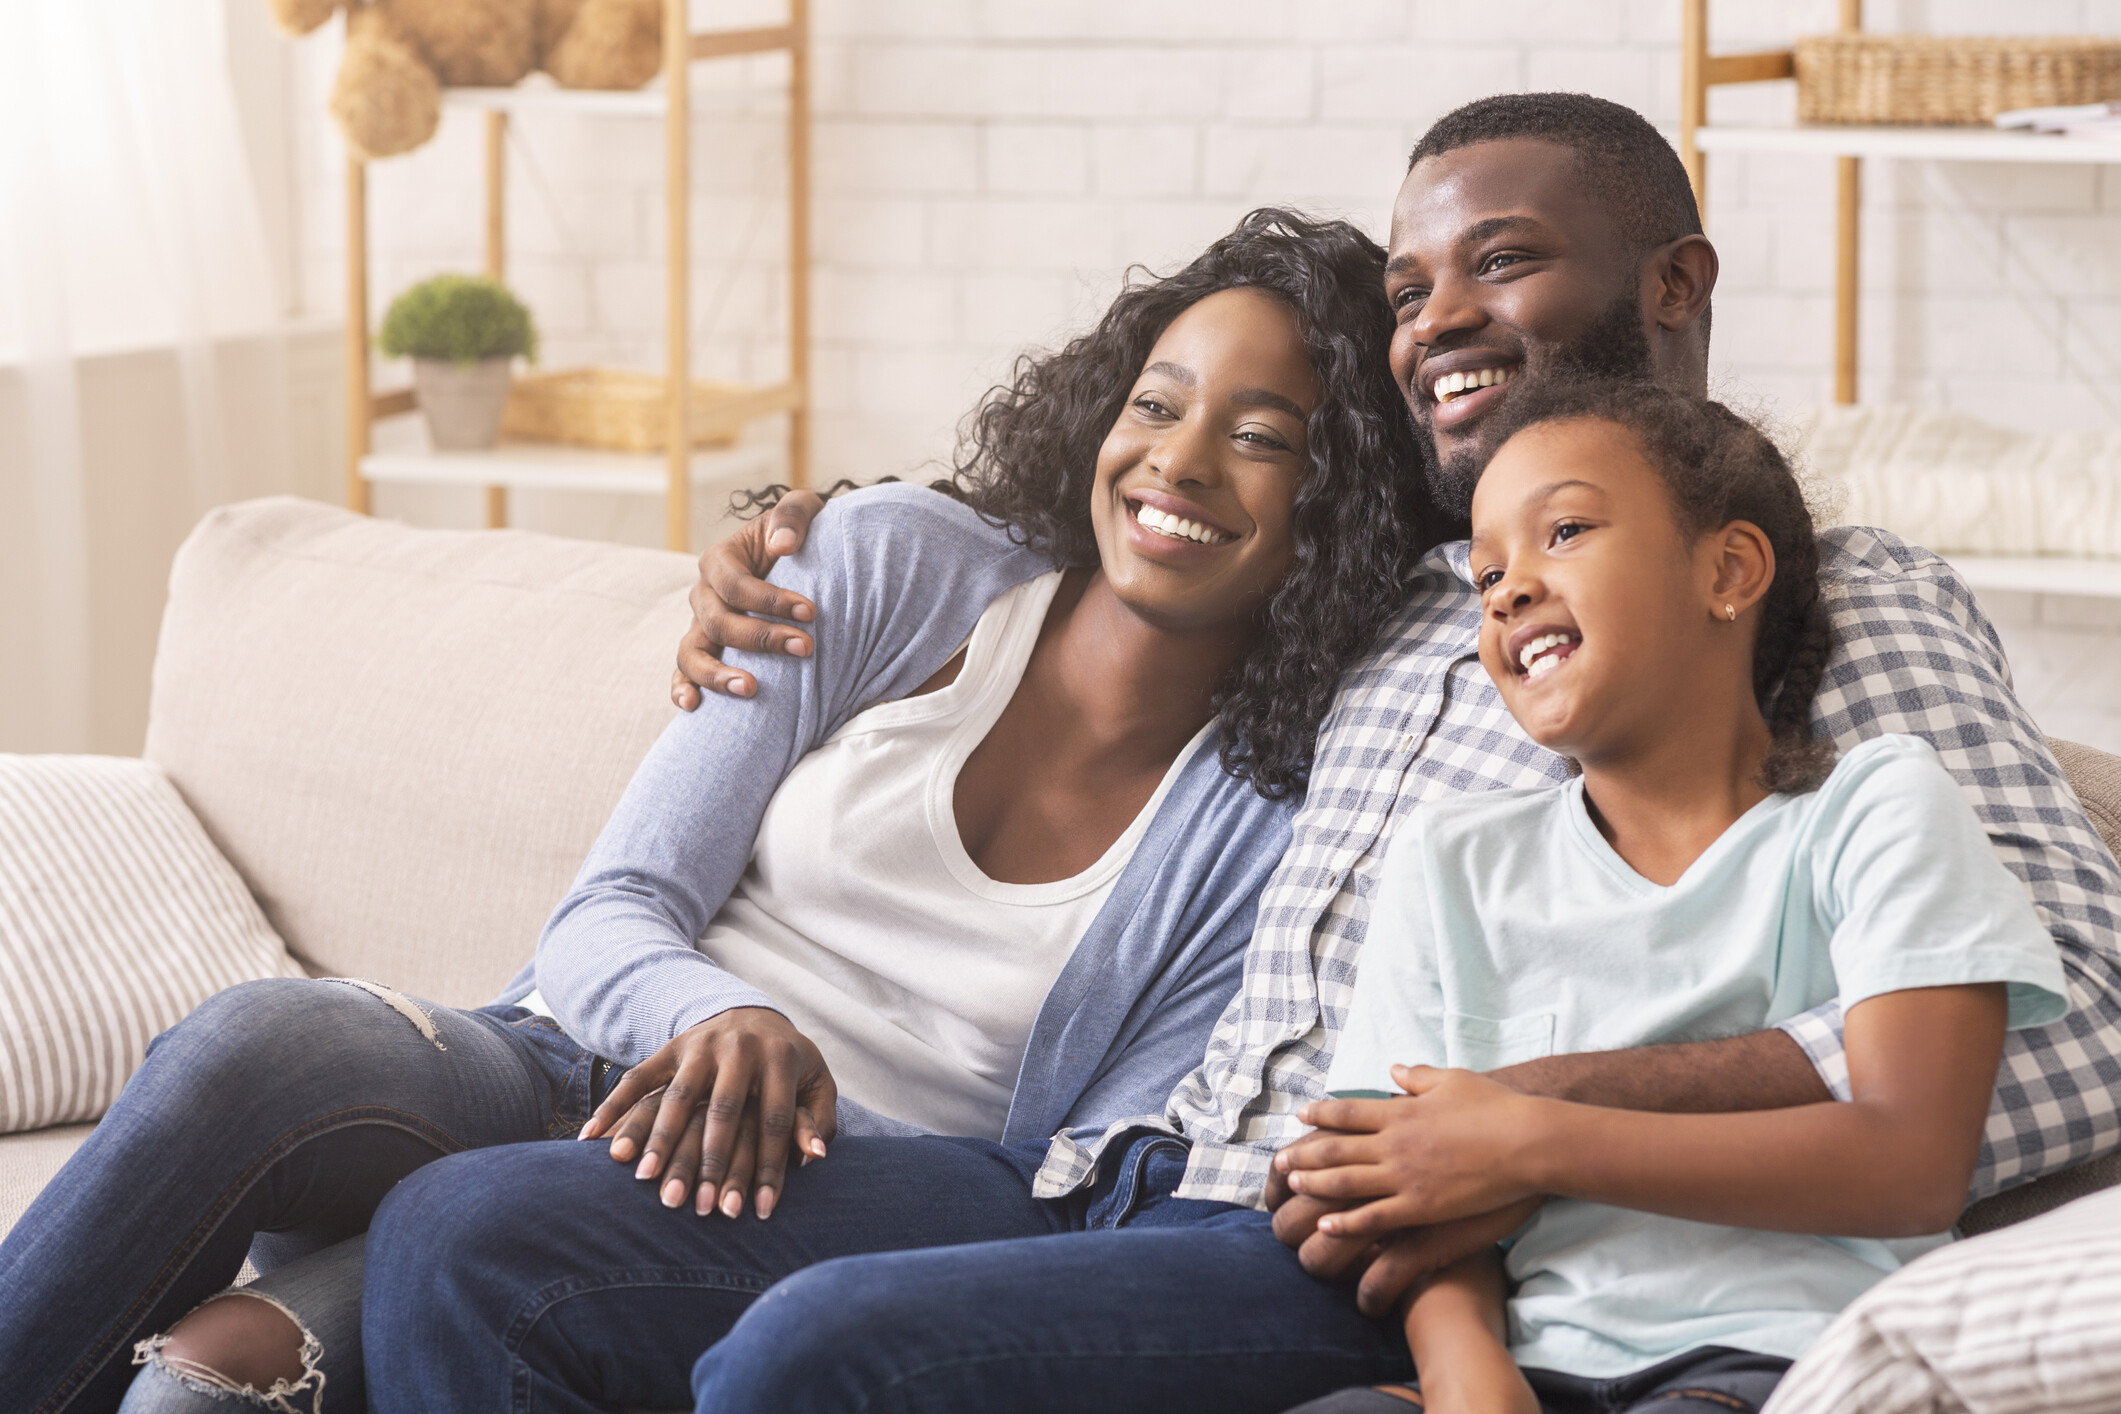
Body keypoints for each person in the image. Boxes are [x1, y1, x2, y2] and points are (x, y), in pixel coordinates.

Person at [622, 94, 2121, 1413]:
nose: (1436, 319)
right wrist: (807, 539)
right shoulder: (1387, 583)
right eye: (1409, 288)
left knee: (825, 1354)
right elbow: (1132, 516)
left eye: (1504, 260)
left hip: (1333, 1244)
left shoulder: (1836, 592)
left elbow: (2085, 1024)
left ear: (1672, 282)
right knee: (488, 1252)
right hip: (1098, 1167)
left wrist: (1525, 1121)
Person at [0, 208, 1429, 1414]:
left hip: (808, 1184)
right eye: (1157, 403)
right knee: (256, 1043)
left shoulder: (1277, 814)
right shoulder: (888, 565)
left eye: (1263, 438)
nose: (1176, 463)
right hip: (575, 1056)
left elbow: (1070, 1178)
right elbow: (609, 912)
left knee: (203, 1382)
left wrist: (766, 1115)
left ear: (1341, 498)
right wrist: (712, 1022)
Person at [1273, 379, 2067, 1414]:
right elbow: (1406, 1187)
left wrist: (1524, 1135)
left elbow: (1910, 1159)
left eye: (1564, 530)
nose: (1509, 590)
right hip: (1532, 1369)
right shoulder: (1450, 860)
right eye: (1487, 573)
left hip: (1790, 1365)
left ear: (1728, 569)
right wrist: (1470, 1377)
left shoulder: (1876, 809)